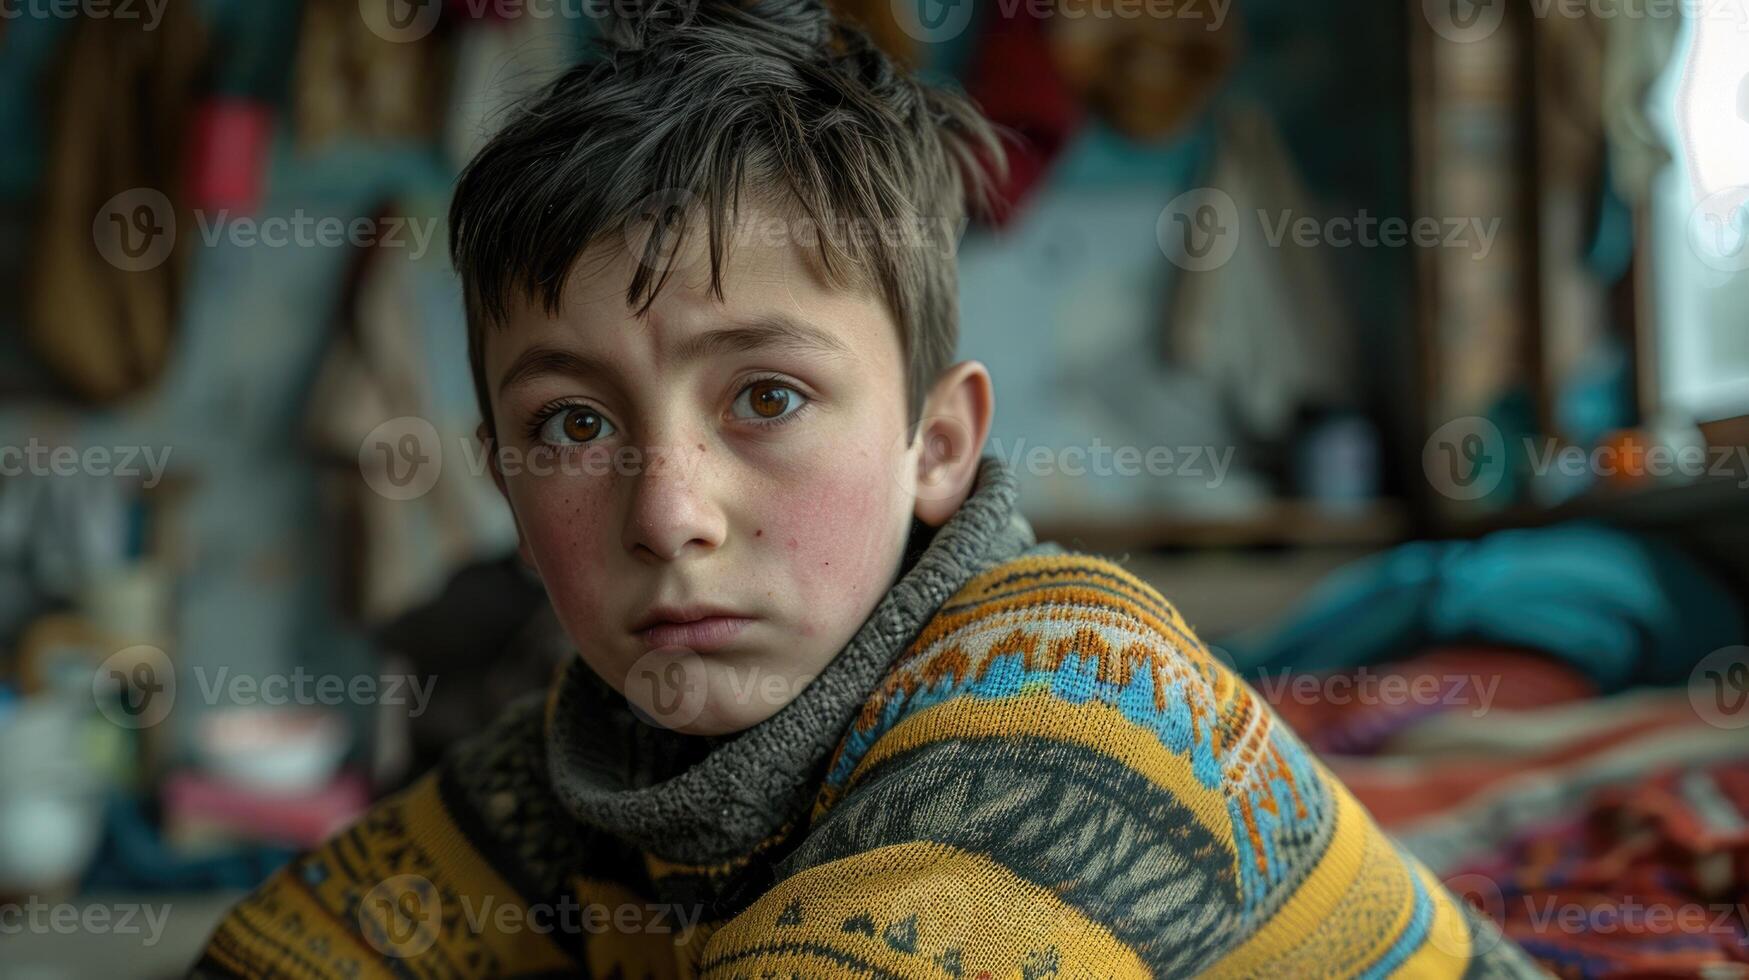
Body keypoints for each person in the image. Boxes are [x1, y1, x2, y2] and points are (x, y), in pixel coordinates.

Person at [194, 0, 1541, 975]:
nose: (669, 514)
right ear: (497, 472)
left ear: (938, 445)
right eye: (572, 422)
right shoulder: (608, 752)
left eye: (766, 399)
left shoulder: (1069, 723)